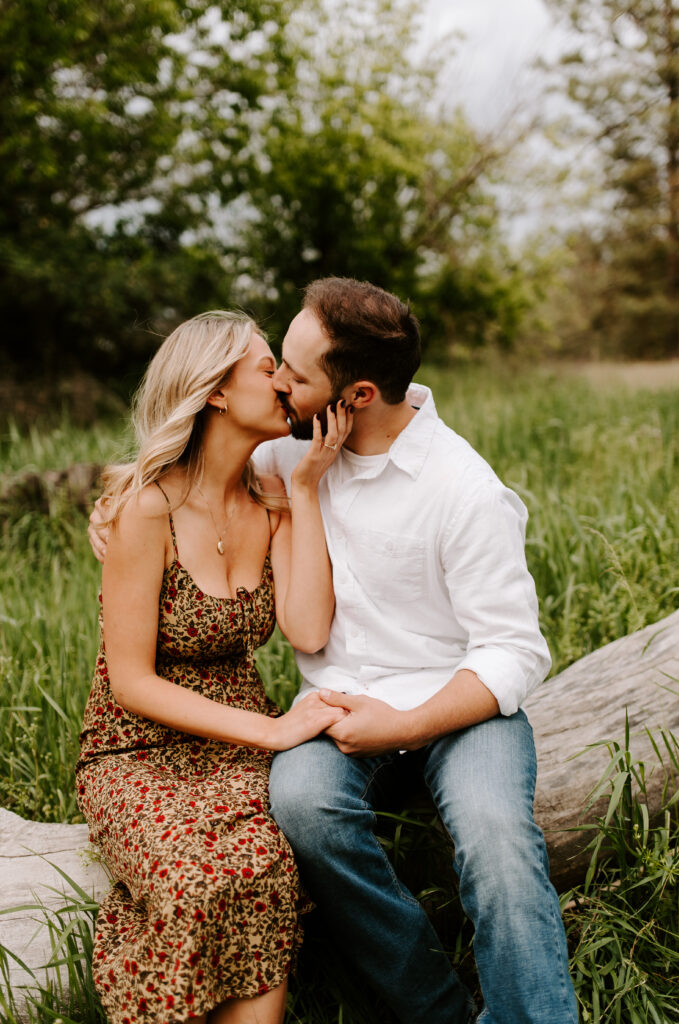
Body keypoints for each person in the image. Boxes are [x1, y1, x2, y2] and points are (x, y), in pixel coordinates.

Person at [90, 281, 579, 1024]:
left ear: (354, 393)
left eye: (293, 371)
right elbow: (185, 479)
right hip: (338, 699)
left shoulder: (462, 489)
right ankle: (435, 1011)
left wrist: (408, 724)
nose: (282, 384)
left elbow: (513, 649)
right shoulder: (288, 452)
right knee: (302, 807)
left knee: (500, 843)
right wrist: (112, 505)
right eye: (273, 365)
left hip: (458, 702)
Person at [77, 309, 353, 1024]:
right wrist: (271, 734)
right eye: (269, 369)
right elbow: (132, 683)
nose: (287, 384)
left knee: (264, 869)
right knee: (193, 879)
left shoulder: (272, 500)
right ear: (218, 394)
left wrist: (307, 491)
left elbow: (308, 626)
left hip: (232, 745)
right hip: (136, 747)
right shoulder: (147, 511)